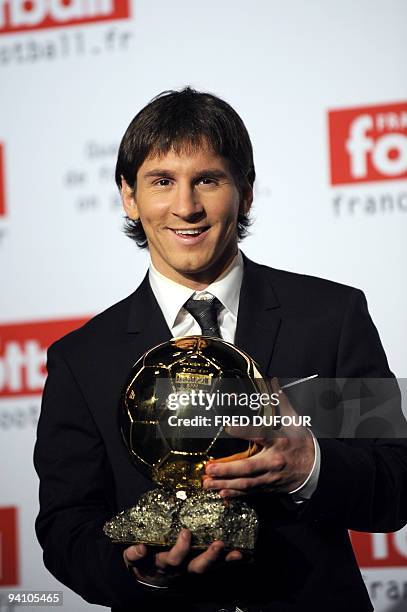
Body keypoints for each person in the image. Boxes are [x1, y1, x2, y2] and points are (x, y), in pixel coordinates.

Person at [34, 87, 407, 612]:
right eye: (162, 181)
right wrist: (142, 571)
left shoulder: (331, 316)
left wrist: (309, 467)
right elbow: (65, 525)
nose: (186, 207)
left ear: (245, 192)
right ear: (129, 196)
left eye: (207, 180)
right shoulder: (81, 359)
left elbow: (396, 484)